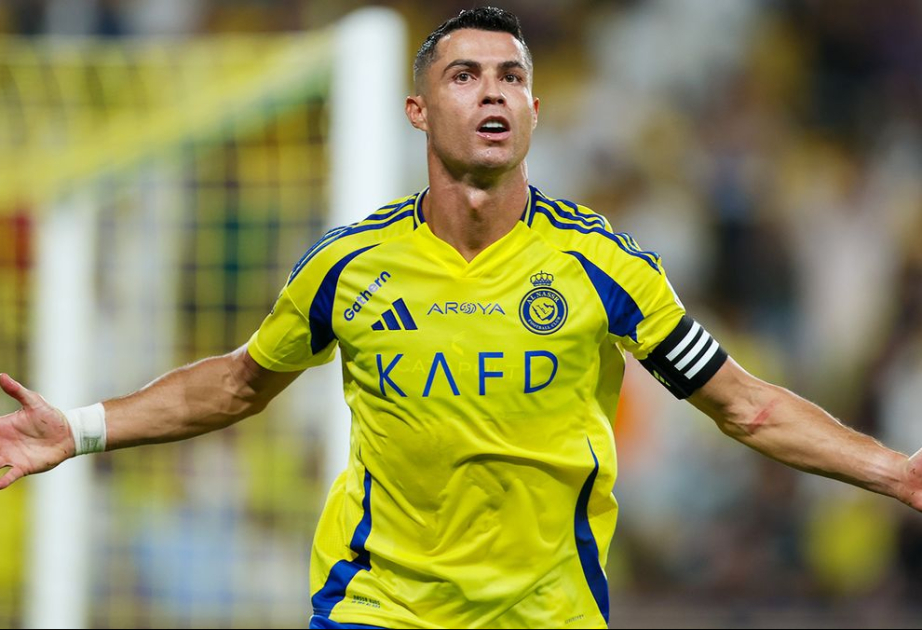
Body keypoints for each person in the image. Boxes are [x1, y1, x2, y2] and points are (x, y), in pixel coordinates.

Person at [1, 7, 920, 629]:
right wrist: (78, 429)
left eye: (511, 77)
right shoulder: (348, 266)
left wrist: (898, 472)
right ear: (418, 109)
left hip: (547, 614)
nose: (491, 91)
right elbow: (240, 384)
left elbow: (745, 405)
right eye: (465, 75)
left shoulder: (605, 268)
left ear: (533, 109)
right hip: (376, 608)